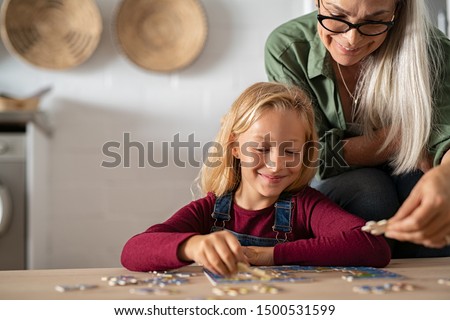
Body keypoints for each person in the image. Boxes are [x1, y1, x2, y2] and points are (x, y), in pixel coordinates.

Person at [121, 82, 390, 276]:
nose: (276, 164)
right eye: (261, 149)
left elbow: (373, 246)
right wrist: (193, 245)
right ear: (235, 147)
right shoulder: (210, 210)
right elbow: (132, 251)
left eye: (290, 151)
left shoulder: (305, 206)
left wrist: (271, 255)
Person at [265, 0, 450, 257]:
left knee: (428, 199)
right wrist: (401, 138)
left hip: (411, 169)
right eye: (338, 16)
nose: (352, 39)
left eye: (374, 21)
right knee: (371, 194)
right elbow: (310, 157)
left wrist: (445, 177)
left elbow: (444, 138)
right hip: (338, 181)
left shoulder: (433, 48)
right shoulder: (288, 48)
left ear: (398, 11)